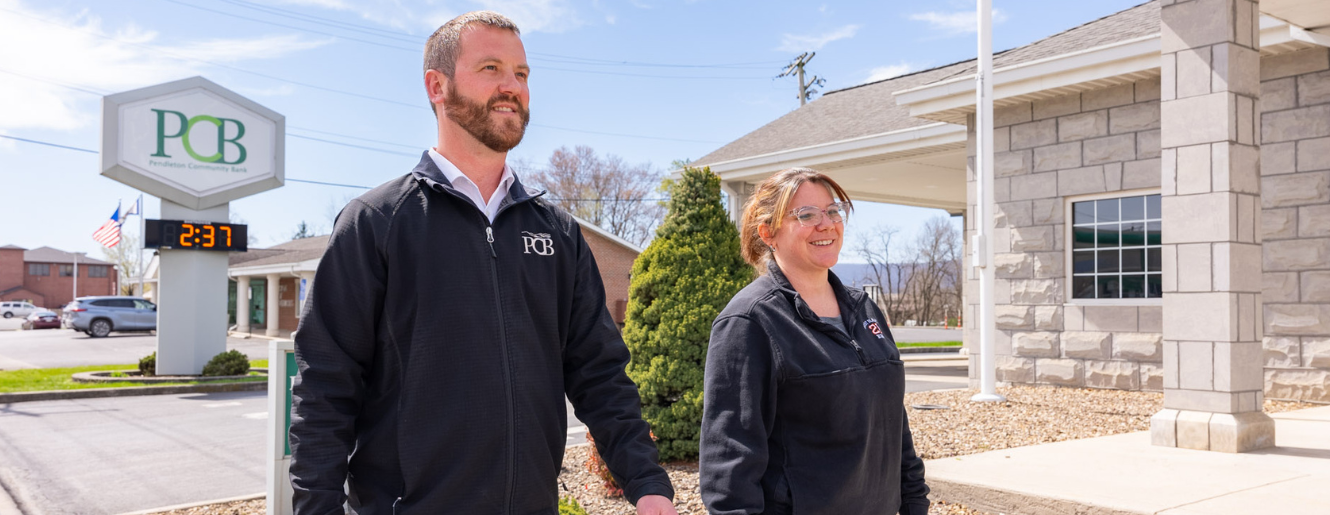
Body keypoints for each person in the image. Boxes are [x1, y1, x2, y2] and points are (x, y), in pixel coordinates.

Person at [288, 11, 677, 515]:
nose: (512, 86)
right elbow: (325, 384)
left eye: (522, 73)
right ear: (437, 85)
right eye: (491, 68)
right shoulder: (377, 222)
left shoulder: (556, 231)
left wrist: (646, 482)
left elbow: (598, 372)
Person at [699, 168, 930, 515]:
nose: (826, 224)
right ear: (769, 233)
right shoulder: (750, 322)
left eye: (833, 211)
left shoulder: (863, 309)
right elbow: (729, 466)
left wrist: (915, 503)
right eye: (806, 215)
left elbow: (893, 425)